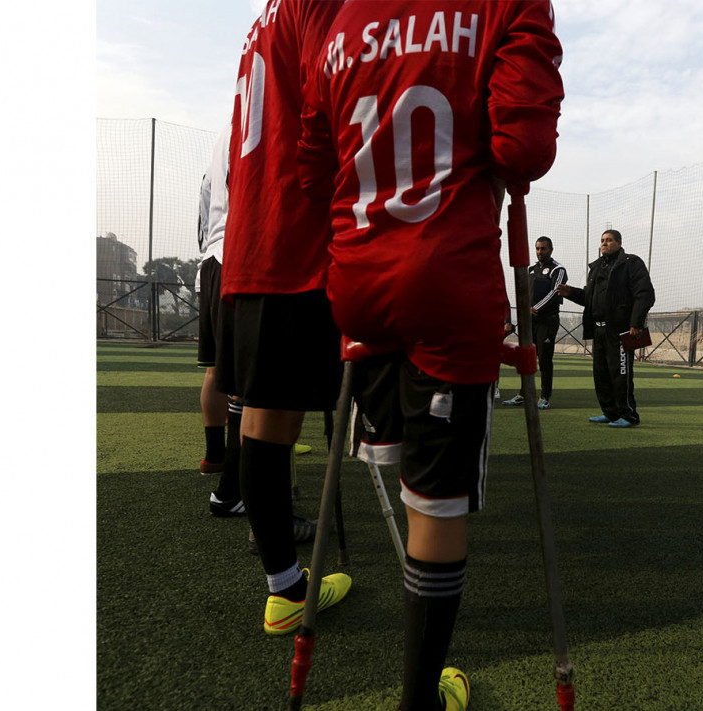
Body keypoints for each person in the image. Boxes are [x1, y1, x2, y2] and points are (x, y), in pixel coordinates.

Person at [296, 2, 563, 708]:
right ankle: (418, 699)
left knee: (399, 469)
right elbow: (524, 150)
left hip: (357, 284)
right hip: (446, 279)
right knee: (437, 506)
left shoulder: (339, 23)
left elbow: (313, 171)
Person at [216, 0, 350, 637]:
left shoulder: (262, 19)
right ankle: (286, 588)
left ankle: (284, 581)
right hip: (295, 239)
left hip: (254, 238)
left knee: (264, 418)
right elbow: (337, 95)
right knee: (275, 418)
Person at [194, 119, 244, 517]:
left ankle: (217, 456)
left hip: (212, 259)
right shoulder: (261, 119)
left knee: (217, 369)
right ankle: (234, 485)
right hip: (241, 255)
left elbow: (204, 206)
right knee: (249, 381)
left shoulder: (221, 137)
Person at [556, 230, 654, 428]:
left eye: (609, 240)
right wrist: (571, 292)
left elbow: (645, 294)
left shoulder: (631, 263)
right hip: (598, 330)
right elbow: (589, 298)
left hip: (621, 330)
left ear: (619, 243)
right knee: (601, 374)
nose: (604, 244)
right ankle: (610, 413)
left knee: (620, 374)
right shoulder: (597, 267)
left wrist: (636, 323)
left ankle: (628, 415)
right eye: (602, 240)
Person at [502, 236, 567, 409]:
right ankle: (523, 394)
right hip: (530, 323)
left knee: (544, 360)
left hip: (547, 321)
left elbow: (555, 292)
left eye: (543, 248)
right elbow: (523, 292)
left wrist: (535, 308)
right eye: (537, 248)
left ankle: (545, 397)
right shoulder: (531, 270)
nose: (540, 252)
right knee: (526, 358)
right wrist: (523, 310)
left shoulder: (558, 269)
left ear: (551, 249)